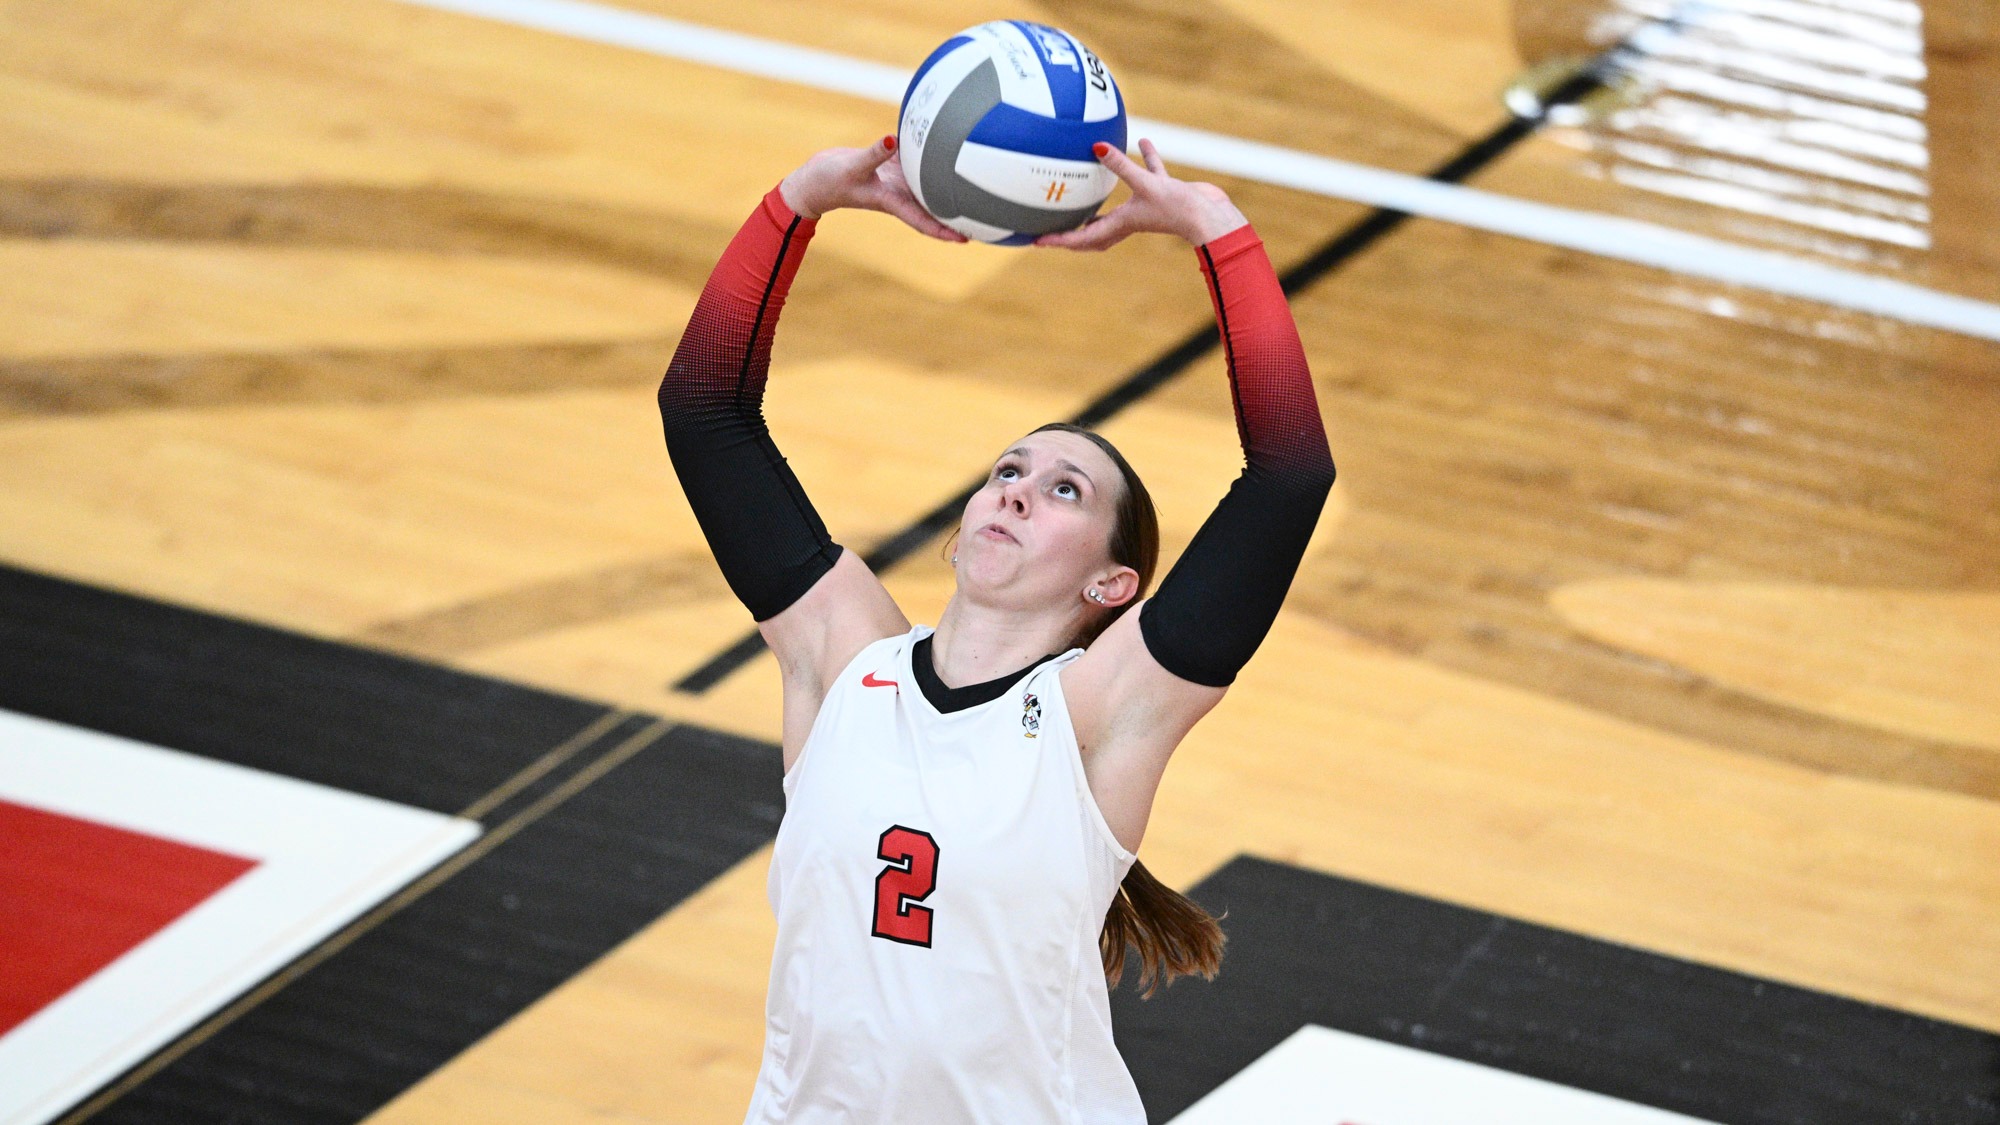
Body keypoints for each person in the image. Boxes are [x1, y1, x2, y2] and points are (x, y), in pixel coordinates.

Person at [659, 133, 1335, 1124]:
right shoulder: (844, 658)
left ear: (1113, 585)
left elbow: (1287, 479)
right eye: (1006, 472)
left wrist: (1213, 231)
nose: (1015, 494)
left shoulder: (1102, 711)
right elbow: (705, 412)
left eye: (1063, 489)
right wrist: (796, 202)